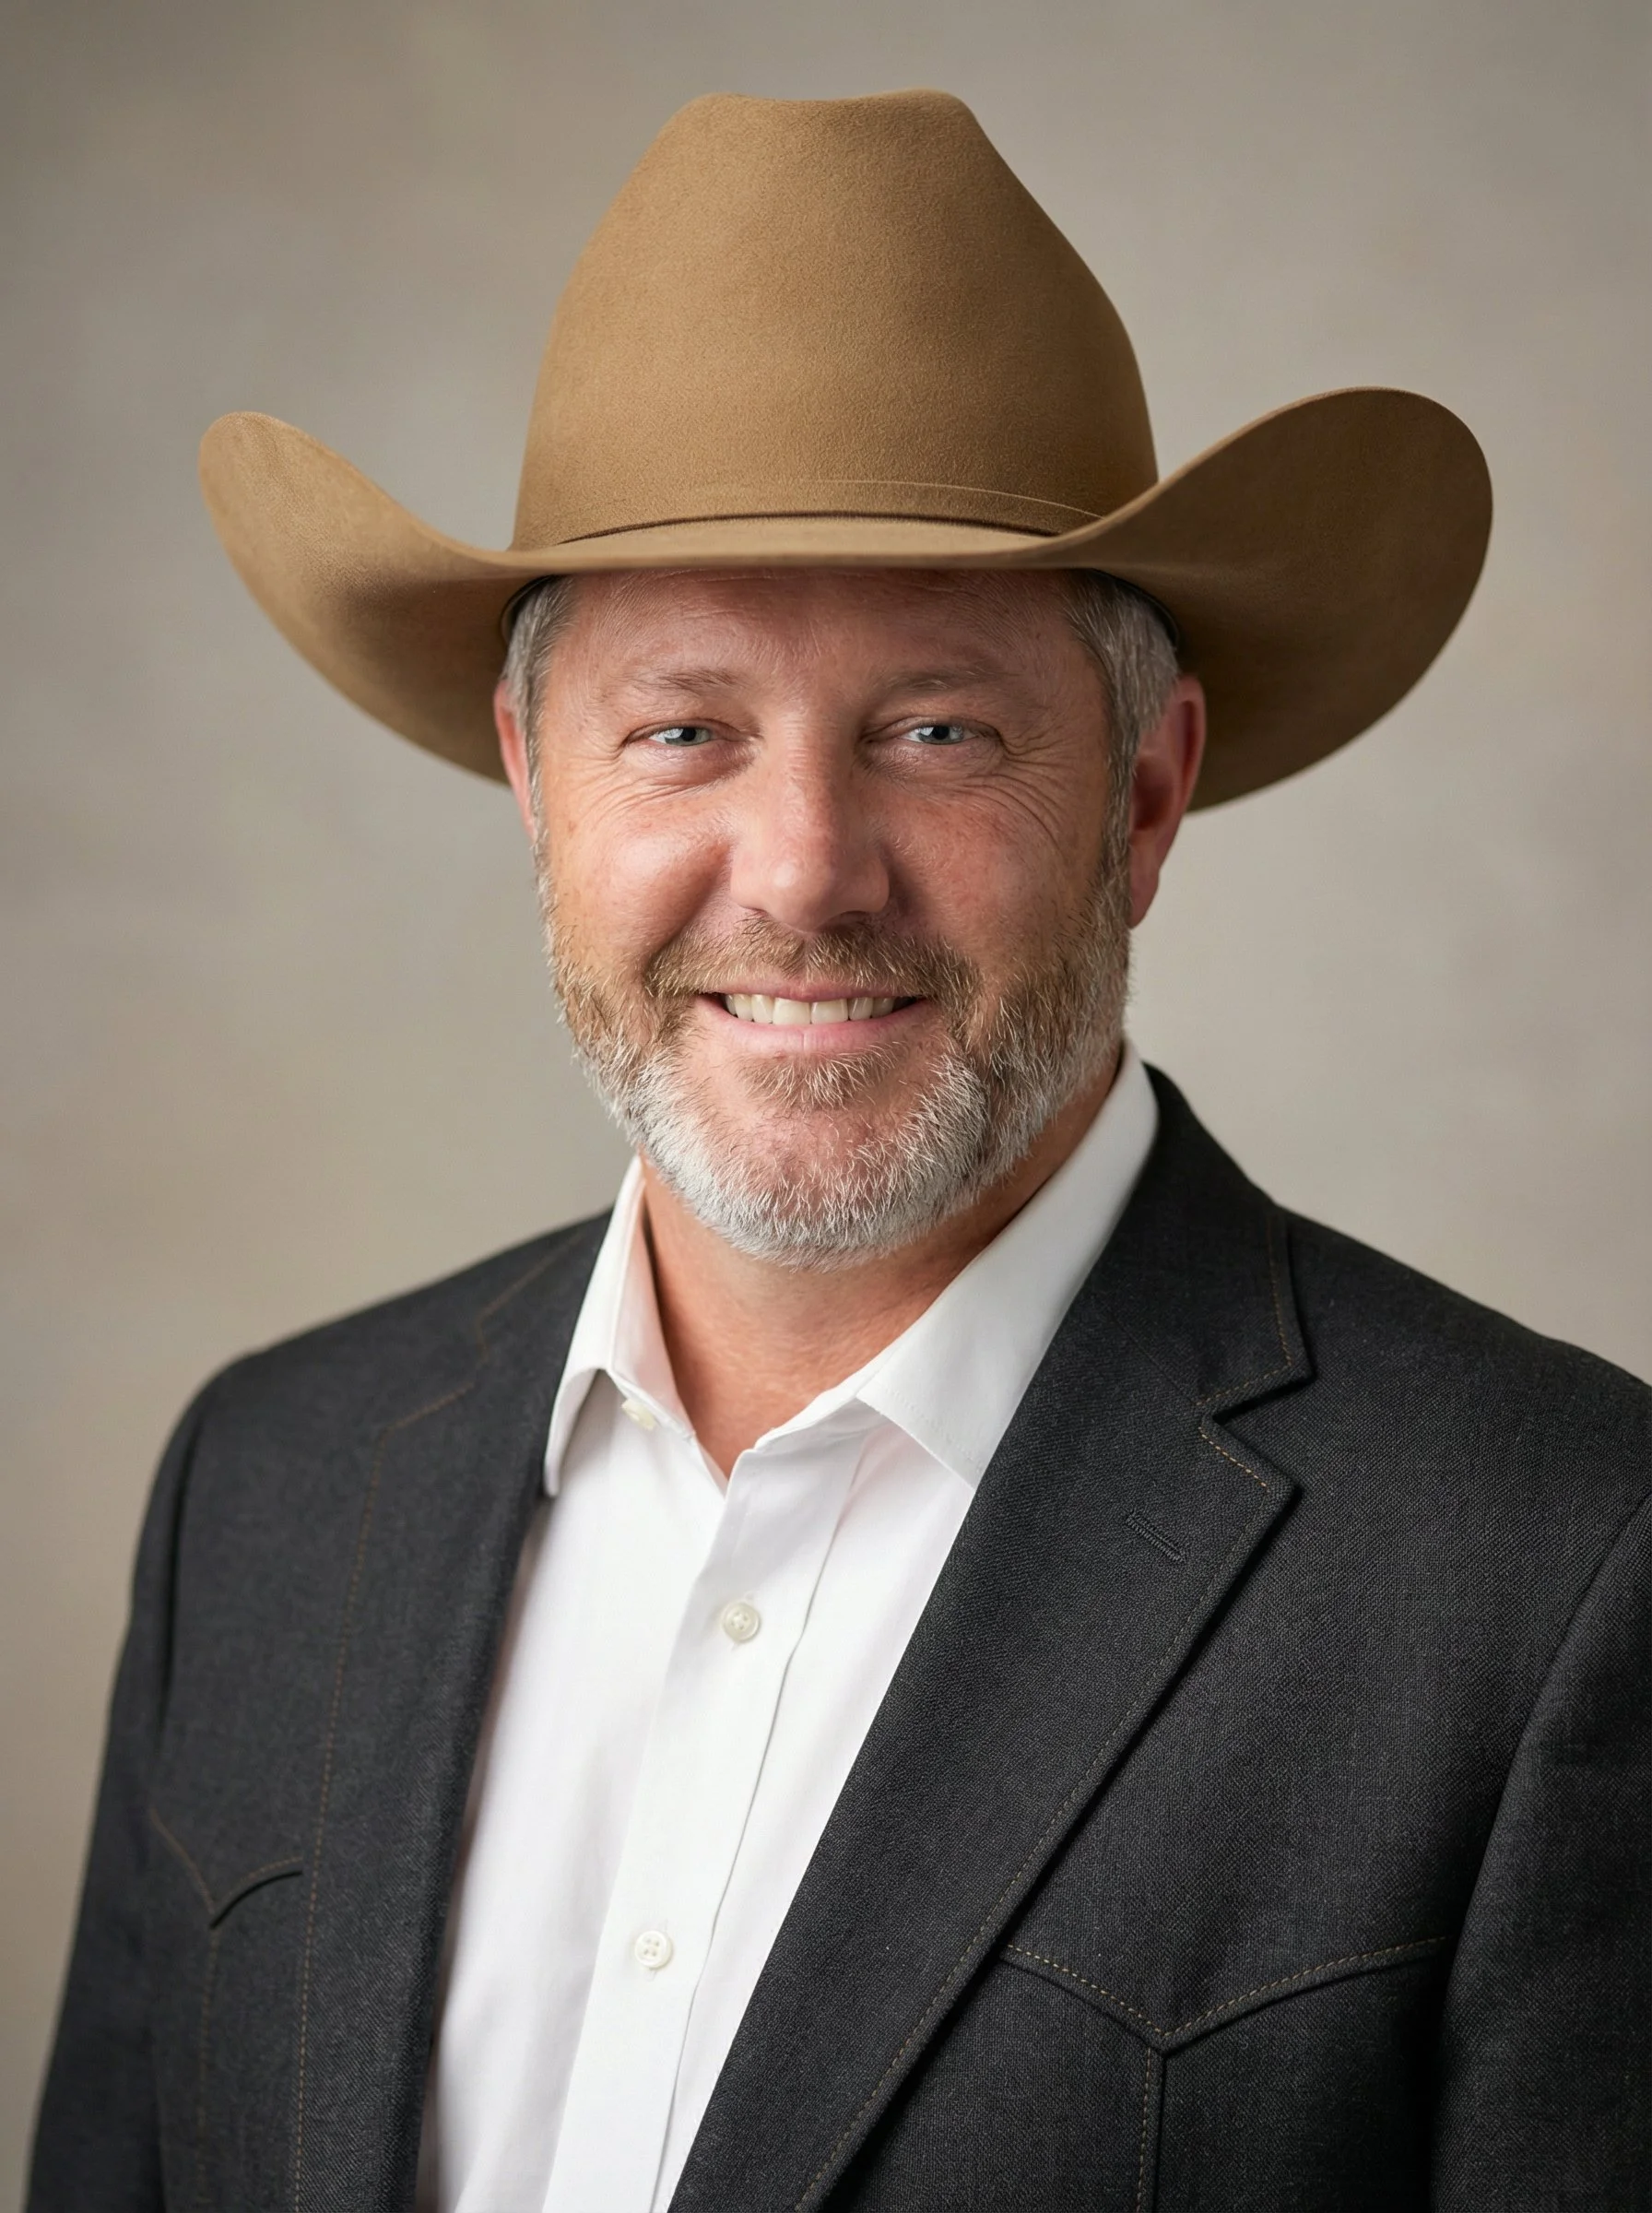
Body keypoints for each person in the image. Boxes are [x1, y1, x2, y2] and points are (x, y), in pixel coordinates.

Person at [29, 89, 1649, 2213]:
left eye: (937, 731)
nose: (799, 874)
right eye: (680, 729)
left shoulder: (1547, 1576)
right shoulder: (262, 1492)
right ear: (534, 778)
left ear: (1143, 799)